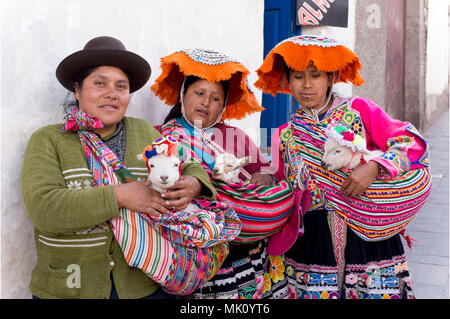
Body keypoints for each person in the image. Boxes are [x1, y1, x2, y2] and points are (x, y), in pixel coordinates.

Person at [20, 36, 223, 299]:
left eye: (121, 86)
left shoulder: (144, 132)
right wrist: (121, 196)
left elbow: (189, 164)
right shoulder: (49, 139)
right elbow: (45, 208)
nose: (112, 94)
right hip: (70, 288)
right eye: (99, 83)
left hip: (142, 287)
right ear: (78, 90)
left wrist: (194, 184)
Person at [254, 35, 432, 299]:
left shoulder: (359, 111)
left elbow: (408, 141)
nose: (307, 85)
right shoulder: (284, 133)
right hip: (311, 246)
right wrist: (265, 181)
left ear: (330, 78)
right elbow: (285, 183)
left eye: (315, 75)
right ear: (287, 82)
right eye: (298, 77)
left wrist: (374, 166)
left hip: (368, 236)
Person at [151, 48, 310, 299]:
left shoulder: (236, 138)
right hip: (203, 255)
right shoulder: (161, 136)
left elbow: (268, 174)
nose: (205, 102)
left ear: (223, 105)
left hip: (249, 253)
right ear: (183, 95)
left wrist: (265, 178)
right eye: (199, 93)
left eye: (215, 98)